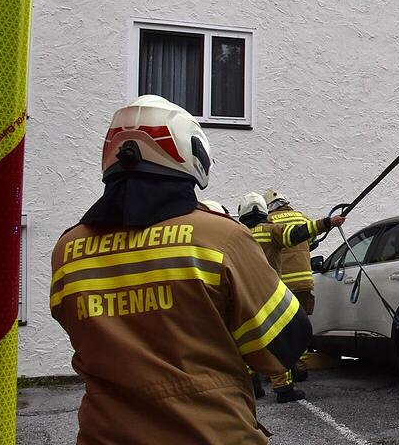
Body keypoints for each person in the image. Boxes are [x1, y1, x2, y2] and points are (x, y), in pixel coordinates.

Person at [50, 95, 312, 444]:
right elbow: (282, 346)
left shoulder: (68, 251)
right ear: (188, 153)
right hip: (211, 434)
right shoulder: (221, 237)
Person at [237, 192, 344, 402]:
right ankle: (283, 388)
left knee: (249, 340)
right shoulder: (270, 230)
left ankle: (253, 386)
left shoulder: (238, 234)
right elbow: (296, 234)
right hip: (269, 293)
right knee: (279, 338)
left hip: (246, 294)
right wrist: (327, 223)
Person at [263, 189, 318, 381]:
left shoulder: (270, 222)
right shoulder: (302, 217)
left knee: (282, 328)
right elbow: (312, 241)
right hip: (304, 281)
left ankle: (284, 369)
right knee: (300, 325)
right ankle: (301, 367)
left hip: (283, 284)